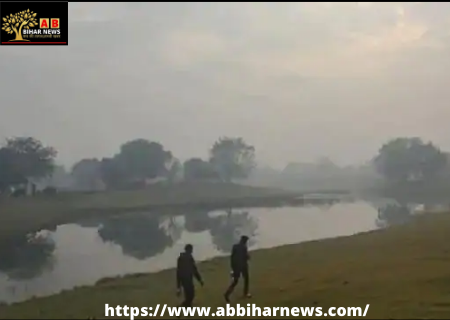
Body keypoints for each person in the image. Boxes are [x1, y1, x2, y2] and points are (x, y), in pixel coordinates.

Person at [224, 235, 251, 302]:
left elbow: (232, 257)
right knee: (246, 279)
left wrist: (233, 267)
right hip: (243, 266)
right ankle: (245, 293)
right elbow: (245, 257)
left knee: (235, 281)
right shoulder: (244, 247)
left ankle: (227, 293)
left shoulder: (235, 246)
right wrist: (248, 257)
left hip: (236, 267)